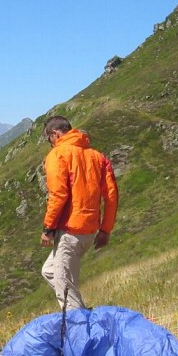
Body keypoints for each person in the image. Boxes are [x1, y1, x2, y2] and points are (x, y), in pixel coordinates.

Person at [39, 116, 119, 311]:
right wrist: (105, 230)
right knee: (50, 271)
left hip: (70, 231)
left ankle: (82, 329)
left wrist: (48, 228)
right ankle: (83, 313)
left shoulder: (58, 155)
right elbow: (111, 196)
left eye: (49, 138)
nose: (49, 143)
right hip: (89, 231)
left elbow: (58, 195)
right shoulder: (98, 157)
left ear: (55, 135)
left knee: (64, 287)